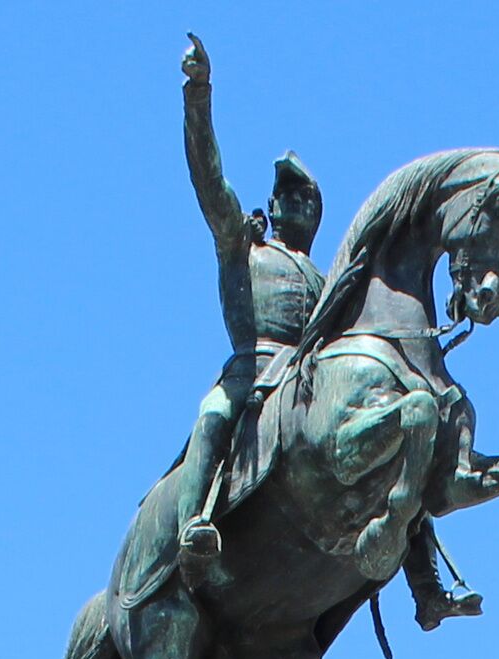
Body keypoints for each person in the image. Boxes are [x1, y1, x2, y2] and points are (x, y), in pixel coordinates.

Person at [171, 33, 325, 568]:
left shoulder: (329, 281)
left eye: (305, 196)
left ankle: (421, 573)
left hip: (311, 382)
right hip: (252, 372)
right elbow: (208, 178)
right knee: (212, 415)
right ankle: (193, 522)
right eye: (285, 194)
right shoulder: (244, 245)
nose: (293, 201)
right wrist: (199, 95)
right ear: (272, 204)